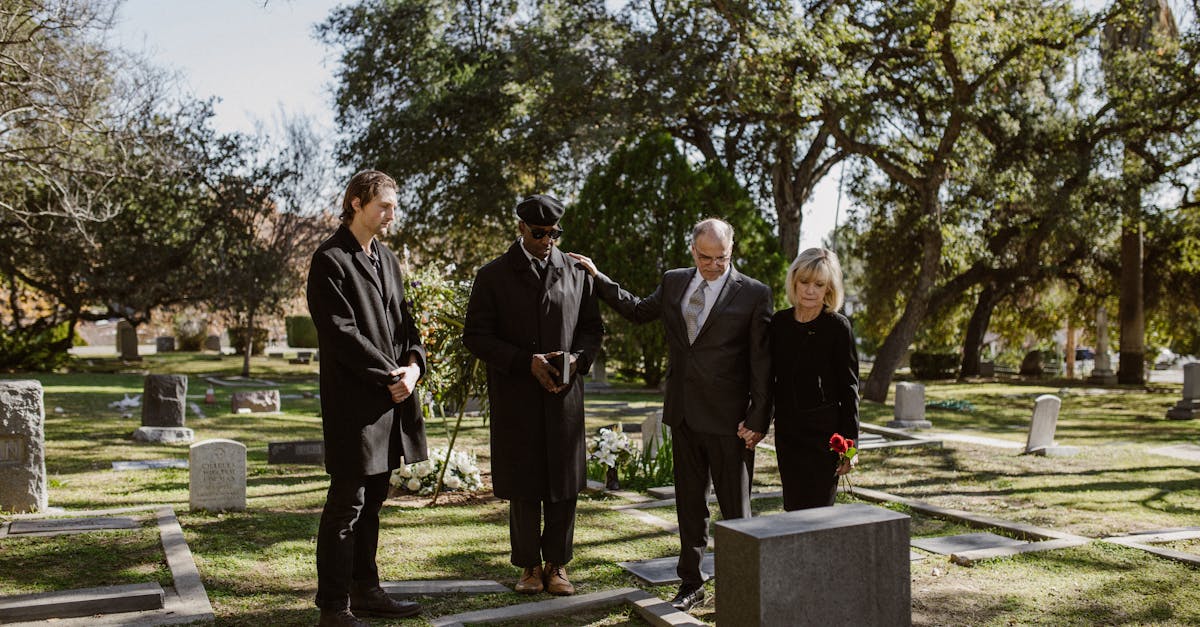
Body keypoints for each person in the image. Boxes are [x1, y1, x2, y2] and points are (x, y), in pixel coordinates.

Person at [569, 217, 772, 613]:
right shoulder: (675, 281)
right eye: (705, 258)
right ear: (693, 251)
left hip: (731, 422)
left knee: (736, 512)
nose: (714, 266)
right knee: (689, 506)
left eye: (722, 258)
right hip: (683, 415)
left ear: (732, 250)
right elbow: (637, 310)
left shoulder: (754, 293)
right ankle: (691, 584)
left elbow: (762, 362)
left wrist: (759, 418)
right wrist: (598, 278)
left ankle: (744, 589)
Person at [463, 194, 604, 597]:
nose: (548, 241)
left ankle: (557, 565)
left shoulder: (577, 273)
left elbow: (592, 329)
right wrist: (524, 361)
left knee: (563, 484)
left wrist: (577, 359)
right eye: (539, 233)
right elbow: (476, 336)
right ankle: (528, 565)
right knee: (524, 483)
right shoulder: (492, 275)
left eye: (554, 233)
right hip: (517, 395)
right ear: (521, 228)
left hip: (564, 395)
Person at [306, 170, 427, 627]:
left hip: (391, 399)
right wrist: (390, 376)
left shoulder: (387, 259)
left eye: (394, 207)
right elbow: (340, 333)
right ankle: (334, 607)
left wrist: (413, 367)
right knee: (347, 505)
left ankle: (367, 590)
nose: (391, 215)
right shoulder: (330, 260)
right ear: (356, 203)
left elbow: (406, 324)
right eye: (384, 206)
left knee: (374, 500)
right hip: (354, 404)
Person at [770, 247, 859, 511]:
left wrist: (850, 449)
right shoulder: (779, 323)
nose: (810, 290)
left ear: (829, 288)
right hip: (788, 436)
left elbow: (849, 390)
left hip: (826, 440)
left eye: (819, 284)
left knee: (819, 515)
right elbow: (769, 380)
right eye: (804, 282)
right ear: (794, 282)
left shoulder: (838, 327)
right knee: (793, 511)